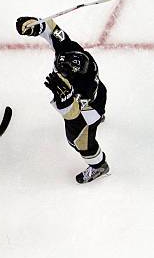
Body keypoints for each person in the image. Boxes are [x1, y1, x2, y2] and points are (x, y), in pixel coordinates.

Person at [16, 16, 109, 183]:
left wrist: (64, 101)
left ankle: (99, 166)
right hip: (101, 94)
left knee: (77, 140)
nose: (60, 69)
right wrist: (35, 25)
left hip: (89, 110)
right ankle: (101, 117)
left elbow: (72, 115)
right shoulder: (70, 50)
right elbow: (51, 28)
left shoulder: (84, 90)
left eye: (65, 72)